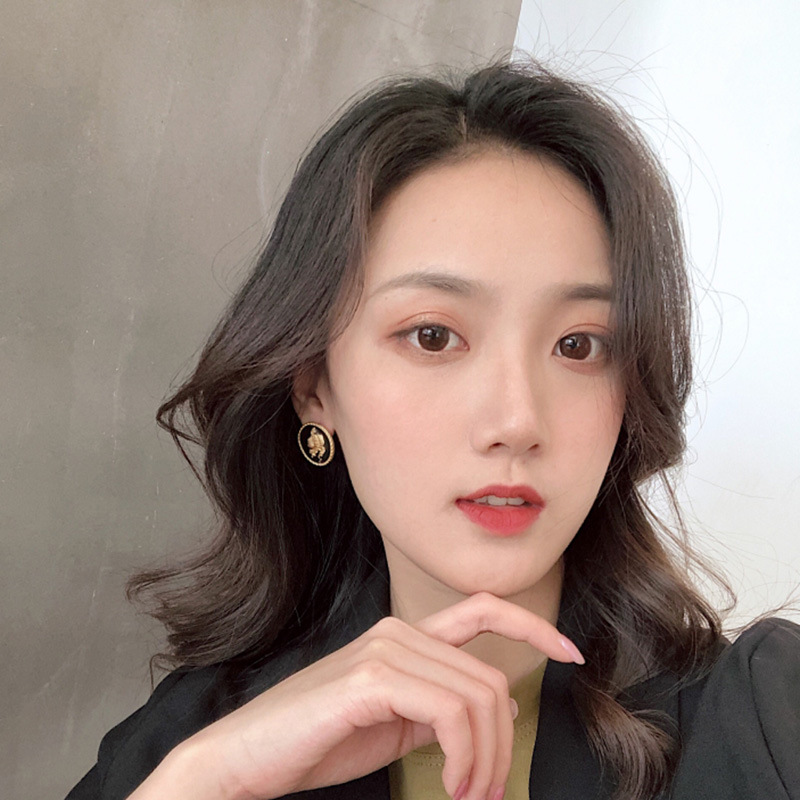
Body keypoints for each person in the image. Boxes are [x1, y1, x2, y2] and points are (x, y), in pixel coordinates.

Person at [65, 56, 800, 800]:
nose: (516, 421)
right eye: (432, 336)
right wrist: (203, 780)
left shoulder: (764, 720)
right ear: (314, 389)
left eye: (580, 345)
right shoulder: (189, 745)